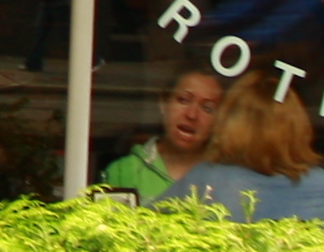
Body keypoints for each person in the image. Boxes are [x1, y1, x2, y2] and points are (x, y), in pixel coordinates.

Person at [178, 81, 324, 230]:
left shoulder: (207, 179)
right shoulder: (322, 184)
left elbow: (152, 232)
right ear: (297, 126)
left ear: (230, 122)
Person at [97, 64, 227, 201]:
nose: (192, 115)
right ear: (164, 103)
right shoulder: (123, 172)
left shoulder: (227, 178)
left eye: (207, 108)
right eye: (183, 100)